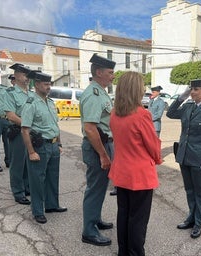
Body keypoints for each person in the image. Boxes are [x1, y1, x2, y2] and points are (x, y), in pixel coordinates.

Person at [109, 71, 162, 256]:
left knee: (123, 214)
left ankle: (123, 251)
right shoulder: (141, 114)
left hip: (121, 171)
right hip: (139, 175)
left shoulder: (115, 113)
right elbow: (153, 144)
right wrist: (158, 158)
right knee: (138, 220)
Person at [167, 78, 201, 239]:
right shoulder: (188, 106)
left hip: (200, 159)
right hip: (184, 155)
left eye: (196, 89)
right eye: (191, 89)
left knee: (200, 192)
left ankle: (198, 223)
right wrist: (181, 97)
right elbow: (170, 113)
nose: (192, 92)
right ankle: (191, 217)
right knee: (189, 190)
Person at [21, 71, 66, 224]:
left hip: (53, 145)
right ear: (37, 84)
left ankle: (52, 205)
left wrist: (59, 143)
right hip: (39, 147)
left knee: (53, 177)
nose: (49, 87)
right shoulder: (31, 103)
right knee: (37, 180)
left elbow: (55, 124)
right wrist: (31, 152)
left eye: (50, 84)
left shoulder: (50, 102)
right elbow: (25, 130)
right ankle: (38, 211)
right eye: (46, 84)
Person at [79, 53, 115, 246]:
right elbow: (90, 128)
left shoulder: (100, 91)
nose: (113, 76)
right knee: (94, 188)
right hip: (97, 148)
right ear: (99, 72)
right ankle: (89, 231)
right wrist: (103, 155)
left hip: (103, 144)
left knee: (100, 188)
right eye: (110, 72)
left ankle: (95, 219)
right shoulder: (93, 94)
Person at [4, 63, 33, 205]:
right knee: (18, 163)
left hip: (31, 133)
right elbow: (11, 116)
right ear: (15, 75)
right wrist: (28, 126)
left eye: (28, 75)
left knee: (29, 161)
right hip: (19, 132)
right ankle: (18, 191)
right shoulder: (10, 93)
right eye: (24, 74)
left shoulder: (31, 93)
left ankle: (27, 187)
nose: (27, 77)